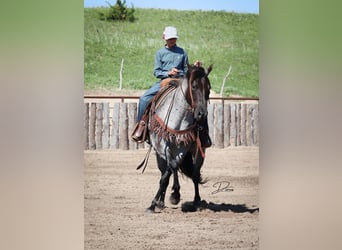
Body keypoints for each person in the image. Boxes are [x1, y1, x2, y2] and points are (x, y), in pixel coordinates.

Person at [131, 26, 211, 148]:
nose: (172, 41)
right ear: (164, 38)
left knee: (198, 100)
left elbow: (186, 71)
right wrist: (168, 73)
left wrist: (194, 67)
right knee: (143, 99)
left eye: (174, 38)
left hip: (181, 81)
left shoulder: (182, 52)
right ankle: (142, 125)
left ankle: (203, 132)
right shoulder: (160, 53)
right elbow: (157, 72)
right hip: (166, 80)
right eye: (170, 39)